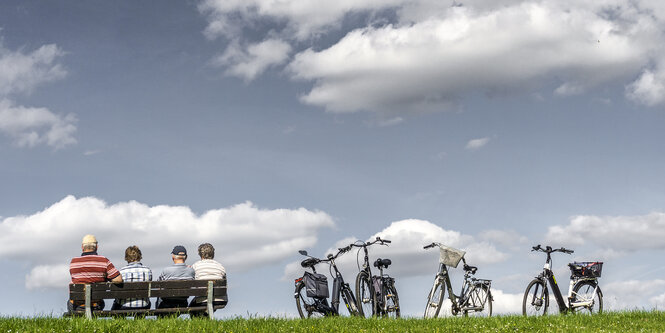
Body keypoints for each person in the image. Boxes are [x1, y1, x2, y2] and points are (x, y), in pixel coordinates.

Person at [68, 234, 123, 312]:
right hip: (96, 305)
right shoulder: (104, 261)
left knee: (71, 302)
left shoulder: (73, 262)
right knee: (99, 301)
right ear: (97, 247)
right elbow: (118, 279)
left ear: (82, 247)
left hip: (77, 305)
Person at [112, 245, 152, 310]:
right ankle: (140, 319)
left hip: (124, 305)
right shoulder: (147, 270)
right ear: (139, 256)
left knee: (116, 303)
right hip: (143, 305)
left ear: (126, 257)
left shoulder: (122, 272)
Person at [190, 243, 226, 308]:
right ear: (213, 254)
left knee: (192, 308)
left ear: (200, 254)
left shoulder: (195, 266)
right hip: (221, 299)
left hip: (202, 300)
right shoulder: (220, 266)